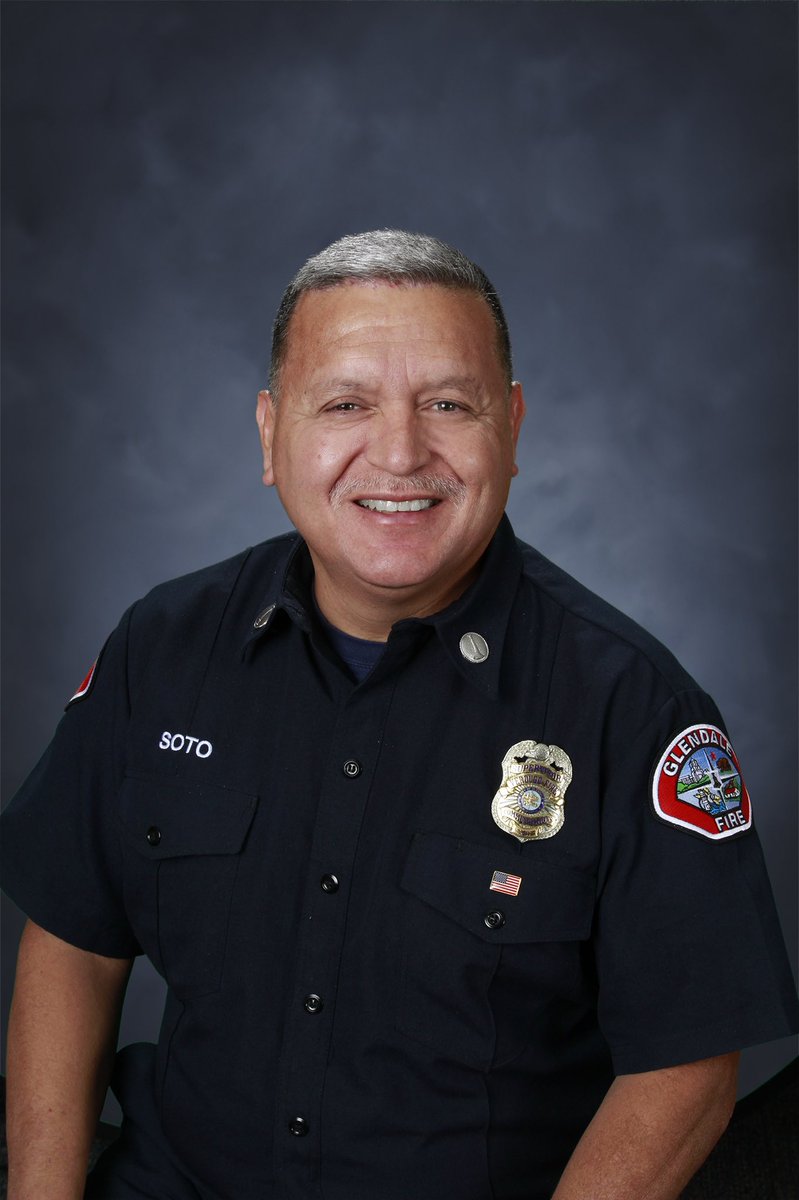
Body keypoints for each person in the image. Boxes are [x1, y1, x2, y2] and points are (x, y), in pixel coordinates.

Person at [2, 230, 797, 1200]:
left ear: (509, 427)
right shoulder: (161, 650)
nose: (399, 453)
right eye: (344, 404)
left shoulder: (632, 709)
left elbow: (685, 1067)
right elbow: (75, 947)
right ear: (268, 433)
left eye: (448, 405)